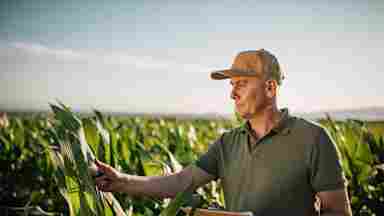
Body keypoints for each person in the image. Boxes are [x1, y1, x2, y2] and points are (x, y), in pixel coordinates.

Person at [95, 49, 352, 216]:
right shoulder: (227, 143)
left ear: (270, 88)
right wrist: (122, 181)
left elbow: (338, 212)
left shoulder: (313, 139)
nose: (232, 93)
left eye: (241, 83)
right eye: (231, 85)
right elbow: (181, 182)